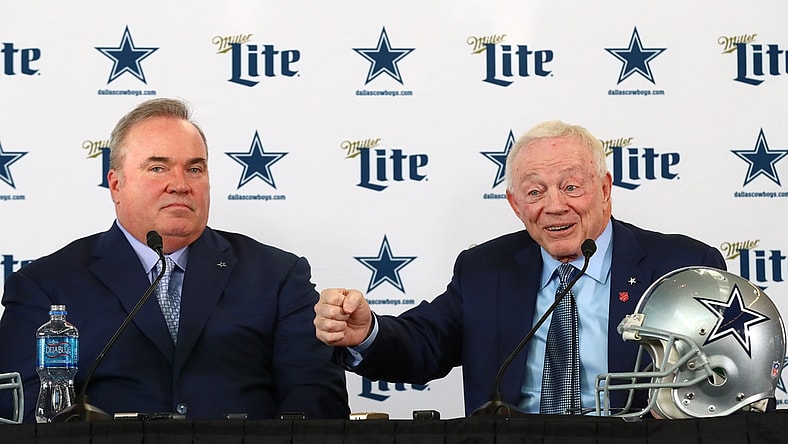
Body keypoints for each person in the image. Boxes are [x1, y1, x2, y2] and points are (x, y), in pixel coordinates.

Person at [314, 120, 727, 417]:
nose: (554, 205)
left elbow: (722, 382)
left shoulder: (683, 266)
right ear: (515, 205)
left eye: (570, 186)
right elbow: (425, 343)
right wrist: (366, 333)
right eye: (534, 191)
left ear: (604, 189)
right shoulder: (484, 268)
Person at [0, 98, 349, 422]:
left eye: (195, 169)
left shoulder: (278, 276)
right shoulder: (46, 285)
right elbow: (24, 415)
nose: (180, 184)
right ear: (116, 184)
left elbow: (315, 399)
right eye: (158, 168)